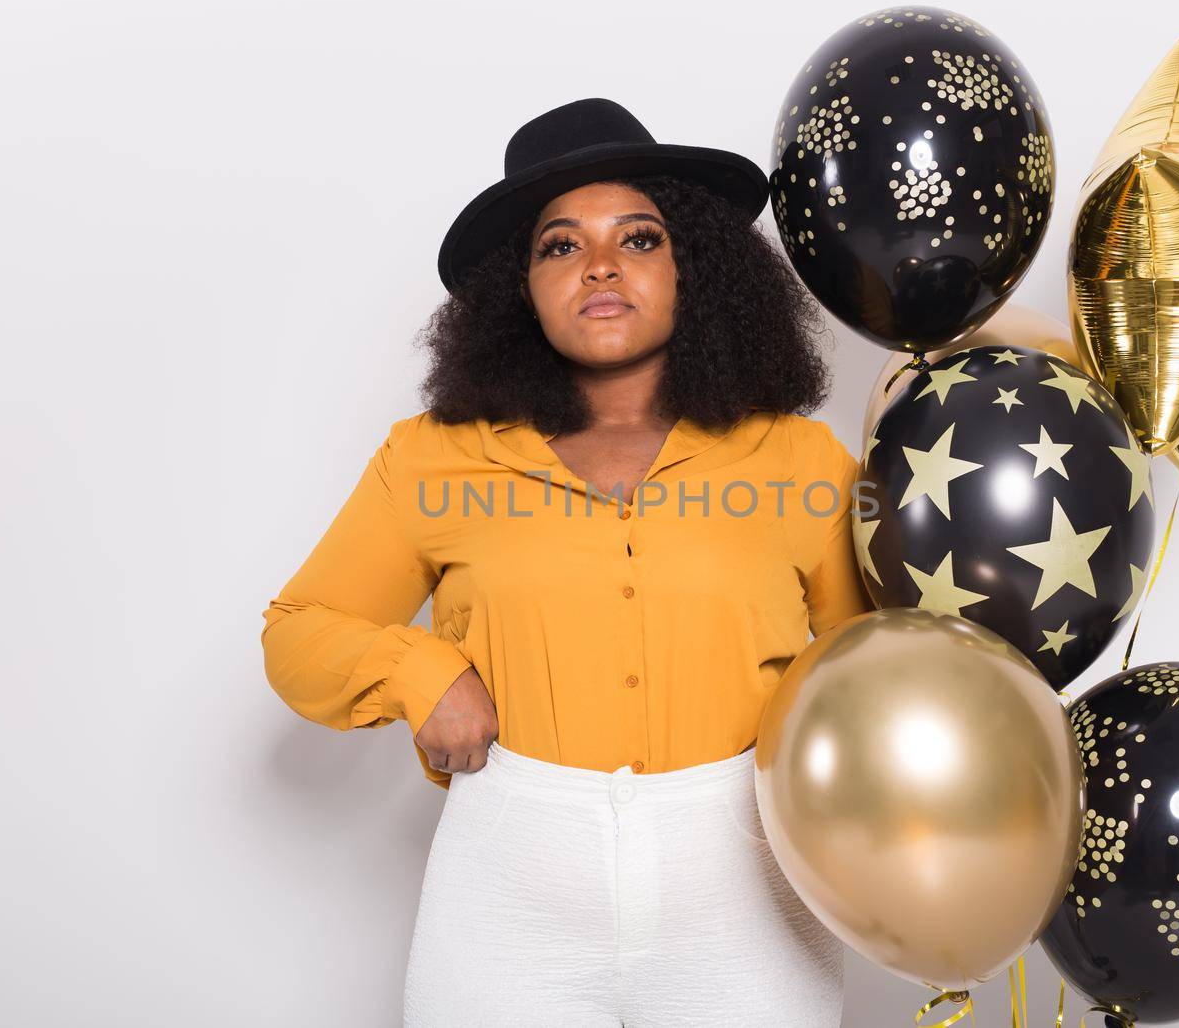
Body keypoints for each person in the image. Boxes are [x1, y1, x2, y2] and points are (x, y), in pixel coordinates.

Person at [260, 97, 873, 1026]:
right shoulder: (432, 457)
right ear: (521, 287)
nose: (599, 266)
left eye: (638, 239)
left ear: (693, 267)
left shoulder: (797, 461)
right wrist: (420, 672)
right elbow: (297, 633)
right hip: (509, 884)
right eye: (559, 245)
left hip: (750, 882)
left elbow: (867, 673)